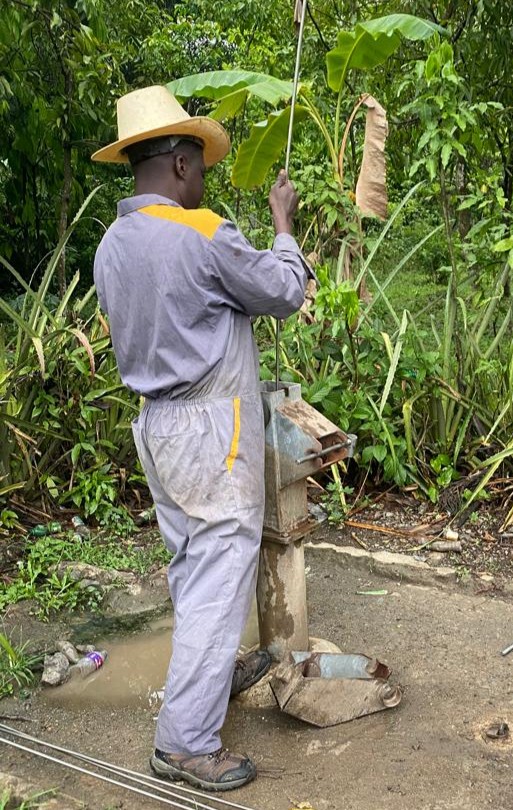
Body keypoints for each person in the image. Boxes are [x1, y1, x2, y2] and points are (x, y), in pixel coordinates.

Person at [92, 85, 314, 791]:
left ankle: (205, 678)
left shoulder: (112, 244)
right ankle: (185, 742)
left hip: (156, 424)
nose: (205, 179)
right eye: (203, 167)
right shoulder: (203, 231)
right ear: (183, 163)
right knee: (220, 567)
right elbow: (281, 292)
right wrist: (283, 225)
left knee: (194, 564)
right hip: (210, 425)